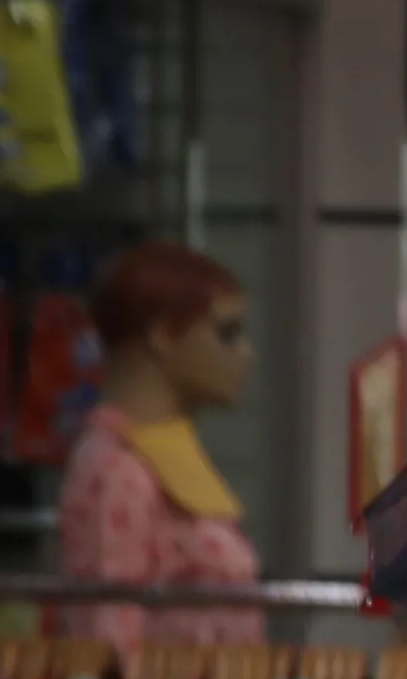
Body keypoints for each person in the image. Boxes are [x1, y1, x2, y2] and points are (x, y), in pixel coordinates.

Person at [59, 241, 264, 648]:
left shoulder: (150, 457)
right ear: (162, 335)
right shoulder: (116, 469)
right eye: (226, 333)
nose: (246, 354)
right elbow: (108, 639)